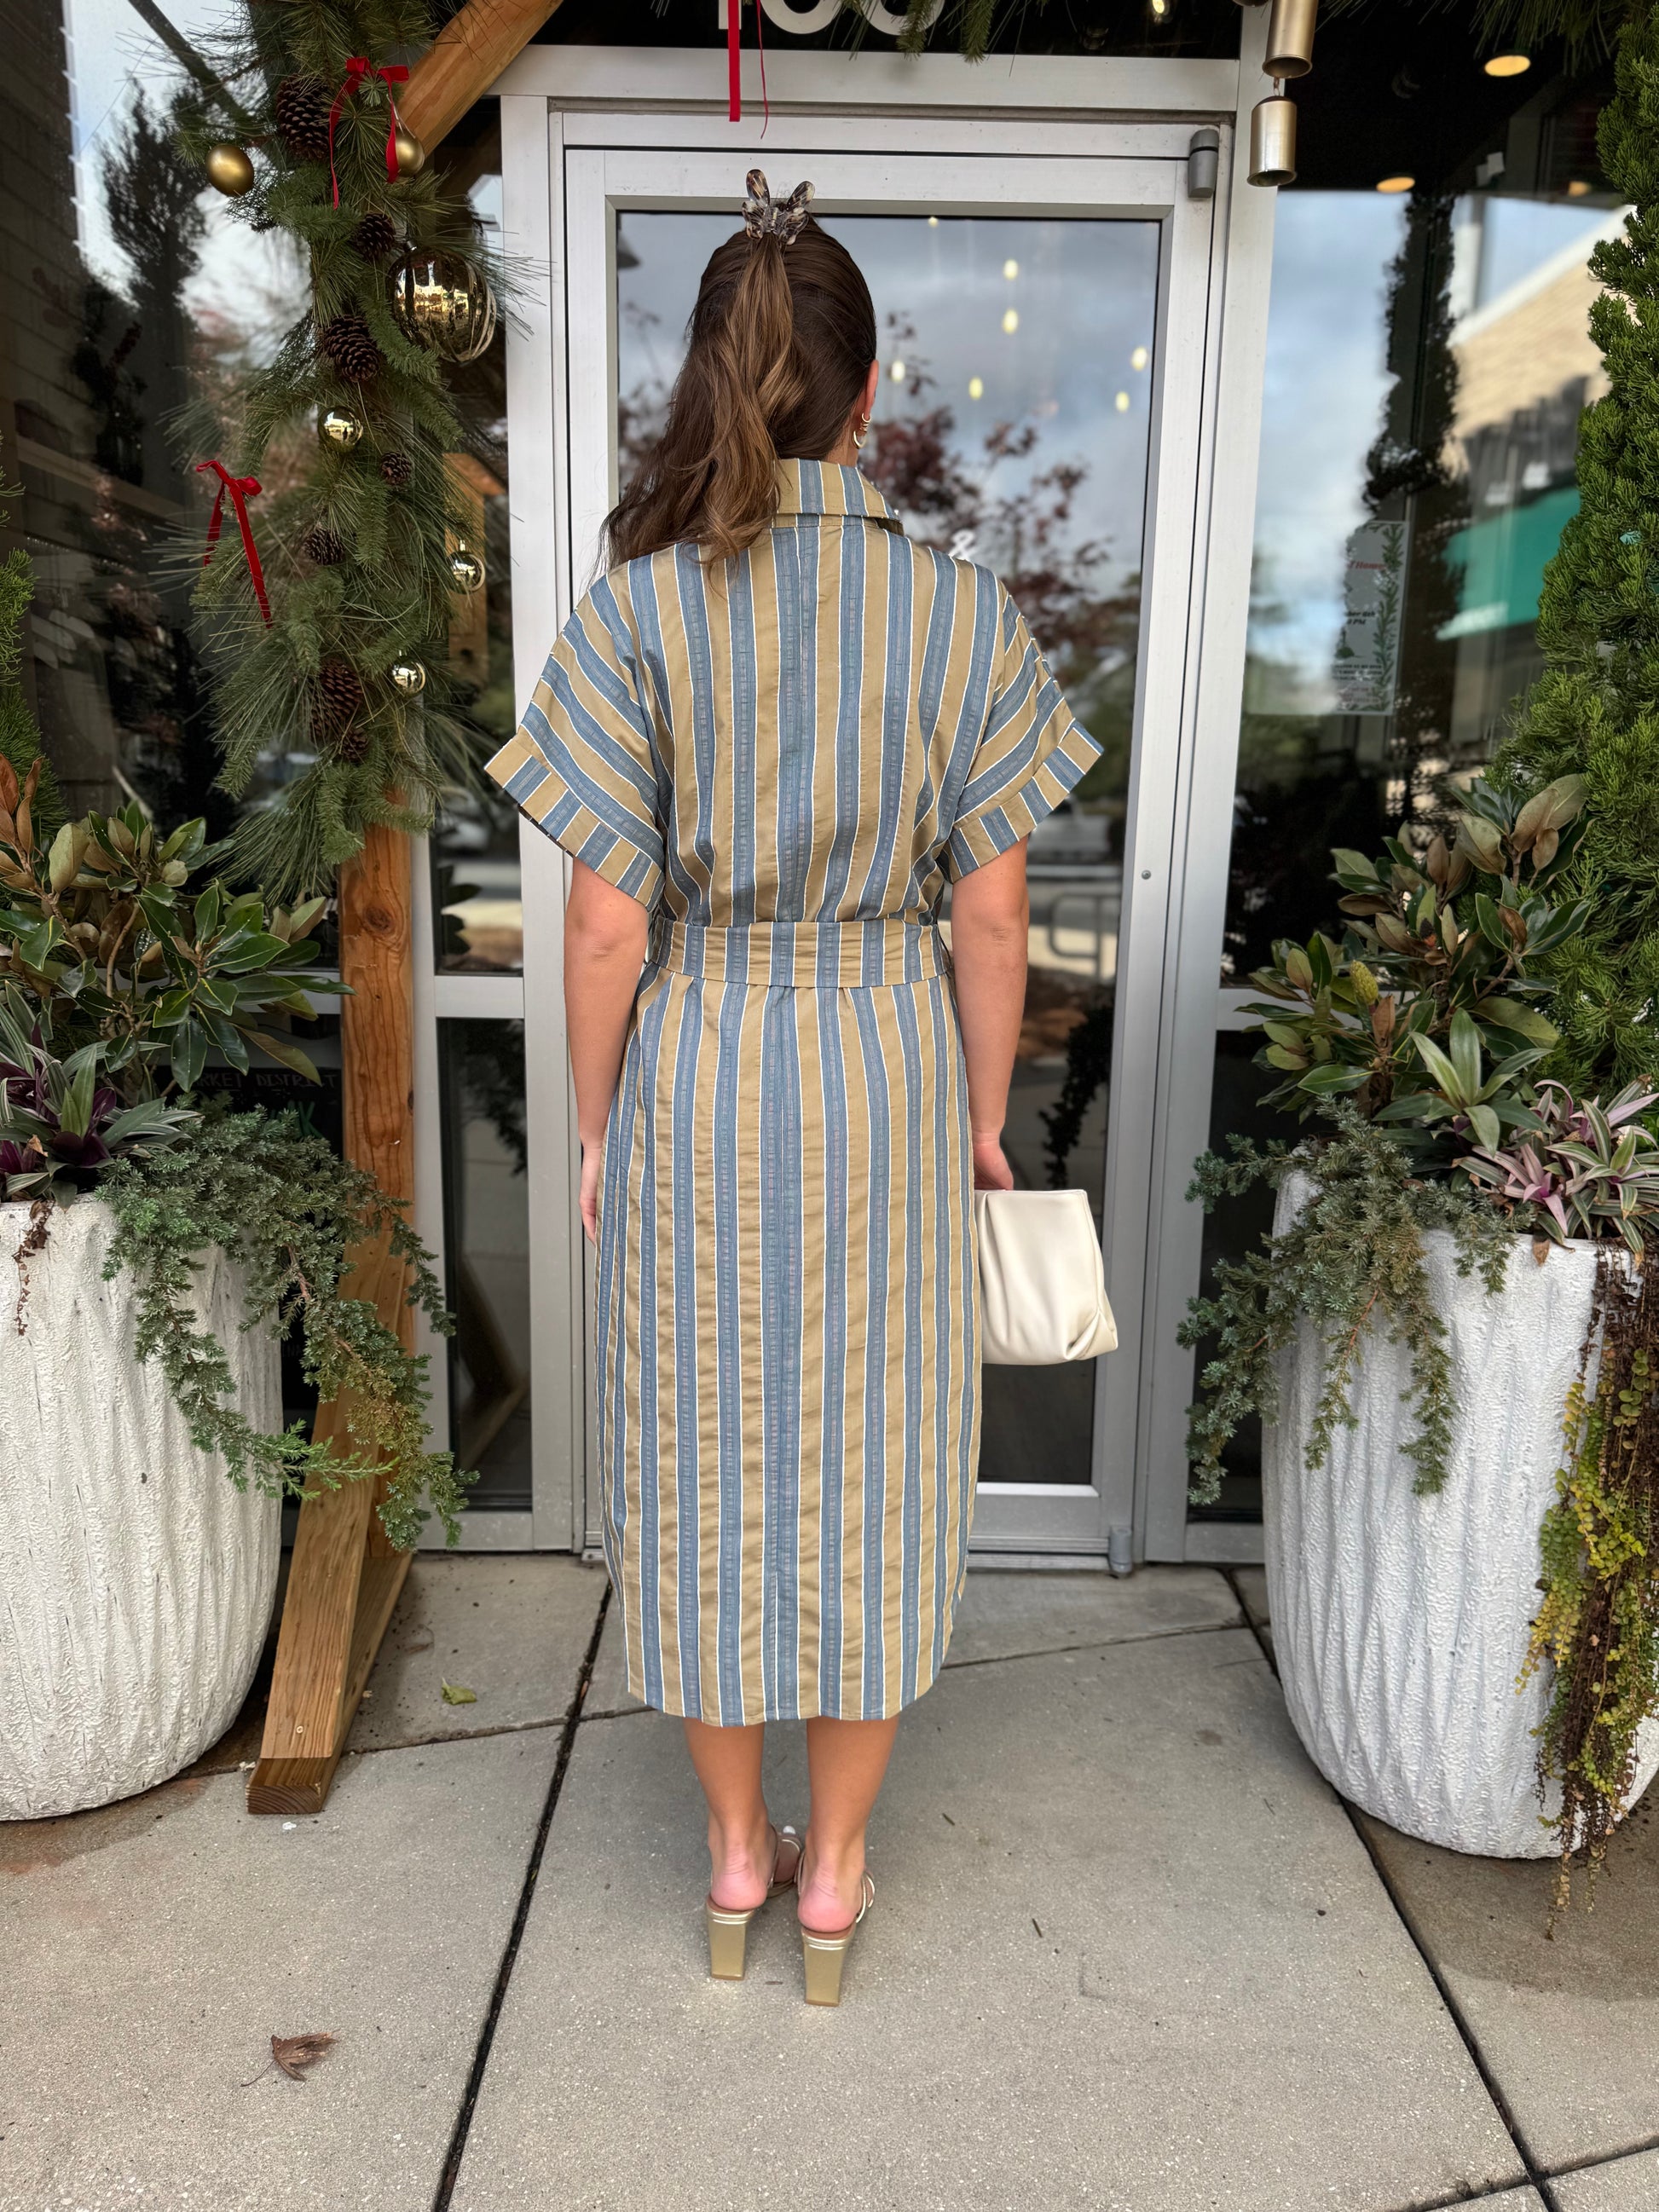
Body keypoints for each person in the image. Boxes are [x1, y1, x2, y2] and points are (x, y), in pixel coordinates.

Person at [485, 171, 1100, 2005]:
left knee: (698, 1460)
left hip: (702, 1064)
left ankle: (733, 1855)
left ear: (706, 384)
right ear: (868, 389)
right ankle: (833, 1879)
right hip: (884, 1066)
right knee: (874, 1464)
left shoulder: (639, 614)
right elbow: (991, 918)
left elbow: (606, 925)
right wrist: (975, 1117)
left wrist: (599, 1124)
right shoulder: (960, 618)